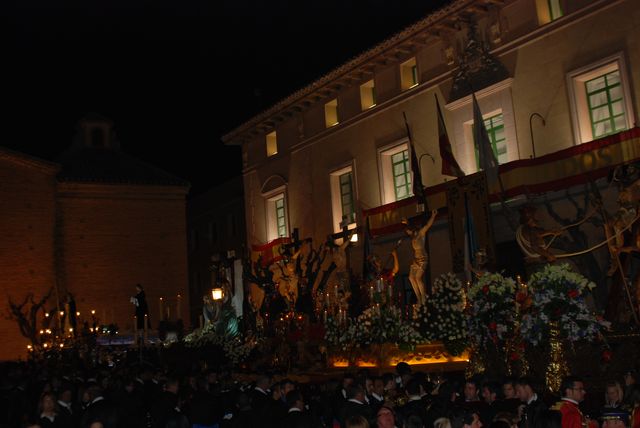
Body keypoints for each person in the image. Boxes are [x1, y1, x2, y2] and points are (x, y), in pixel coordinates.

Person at [402, 209, 438, 305]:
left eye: (408, 231)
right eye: (406, 232)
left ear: (411, 229)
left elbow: (427, 226)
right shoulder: (413, 238)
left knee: (418, 278)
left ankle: (423, 297)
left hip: (422, 259)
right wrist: (407, 222)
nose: (407, 233)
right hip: (416, 260)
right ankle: (419, 298)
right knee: (411, 277)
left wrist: (433, 216)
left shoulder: (420, 234)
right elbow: (410, 226)